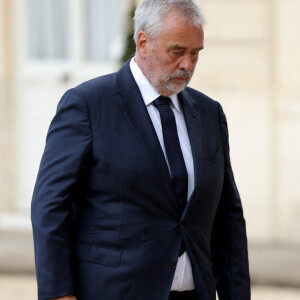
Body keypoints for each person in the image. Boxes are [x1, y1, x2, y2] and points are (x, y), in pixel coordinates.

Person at [31, 0, 251, 299]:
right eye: (177, 52)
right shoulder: (87, 105)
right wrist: (58, 293)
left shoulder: (209, 113)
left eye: (195, 53)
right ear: (143, 43)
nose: (187, 64)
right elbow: (50, 206)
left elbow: (228, 216)